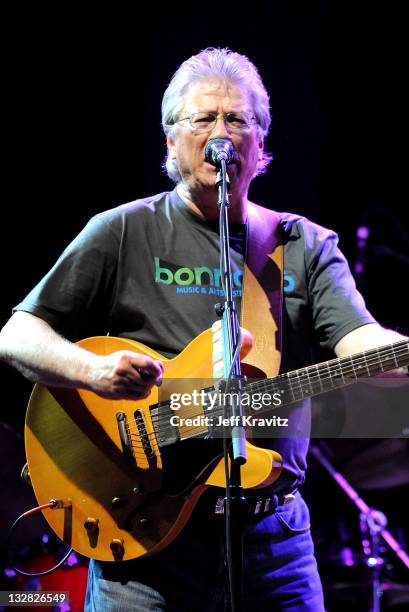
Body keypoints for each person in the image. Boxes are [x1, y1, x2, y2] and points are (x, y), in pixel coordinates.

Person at [0, 47, 407, 612]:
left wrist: (397, 352)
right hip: (147, 542)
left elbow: (357, 340)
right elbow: (17, 334)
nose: (222, 132)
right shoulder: (122, 231)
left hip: (275, 542)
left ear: (261, 143)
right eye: (203, 118)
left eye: (238, 119)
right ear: (171, 140)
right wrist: (92, 370)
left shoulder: (305, 245)